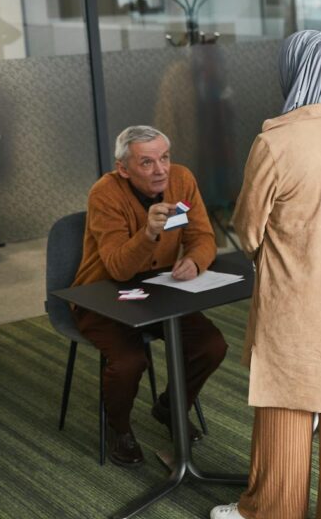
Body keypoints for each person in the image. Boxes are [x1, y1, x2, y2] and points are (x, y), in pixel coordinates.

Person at [212, 31, 321, 519]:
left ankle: (269, 511)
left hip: (297, 305)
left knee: (286, 414)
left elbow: (247, 230)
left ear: (294, 72)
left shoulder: (274, 142)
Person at [71, 125, 228, 467]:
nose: (160, 170)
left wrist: (194, 260)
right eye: (147, 163)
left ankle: (170, 408)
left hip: (160, 288)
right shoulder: (105, 193)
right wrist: (149, 233)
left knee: (211, 345)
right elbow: (117, 268)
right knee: (130, 361)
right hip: (101, 295)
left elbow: (203, 236)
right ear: (123, 169)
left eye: (164, 158)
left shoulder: (182, 179)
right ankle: (119, 428)